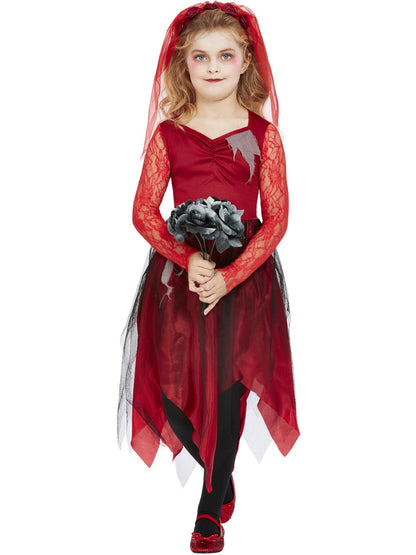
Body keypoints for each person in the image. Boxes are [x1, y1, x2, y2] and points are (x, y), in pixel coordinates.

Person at [117, 2, 300, 552]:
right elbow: (144, 211)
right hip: (179, 280)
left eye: (225, 55)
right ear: (184, 63)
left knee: (228, 389)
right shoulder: (170, 135)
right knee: (172, 389)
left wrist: (233, 274)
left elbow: (277, 218)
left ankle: (209, 506)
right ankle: (218, 471)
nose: (213, 66)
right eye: (200, 57)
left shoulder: (264, 136)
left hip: (244, 281)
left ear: (245, 61)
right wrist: (184, 257)